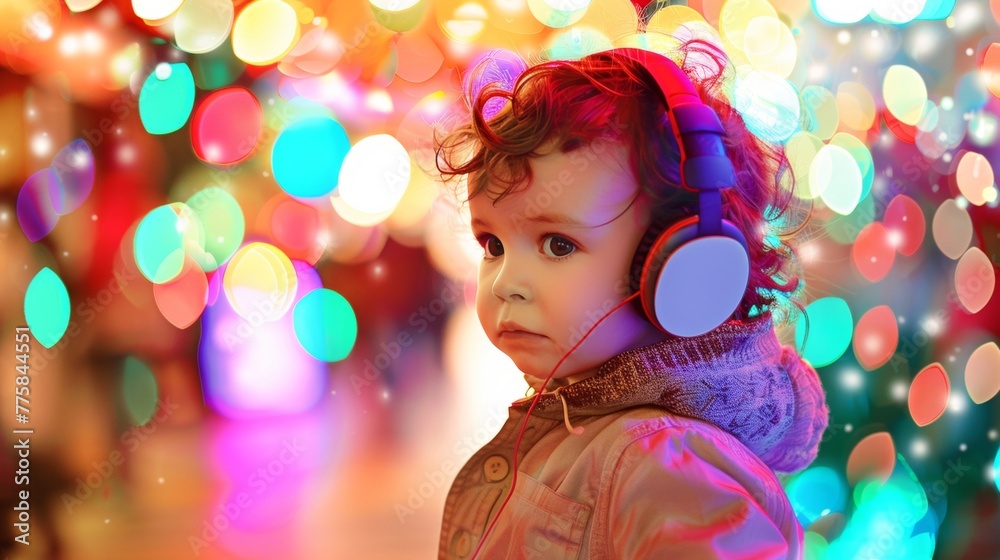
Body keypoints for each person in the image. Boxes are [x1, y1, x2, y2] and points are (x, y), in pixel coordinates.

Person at [431, 39, 829, 559]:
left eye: (557, 244)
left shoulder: (665, 463)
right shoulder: (588, 421)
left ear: (684, 268)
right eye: (493, 245)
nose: (506, 282)